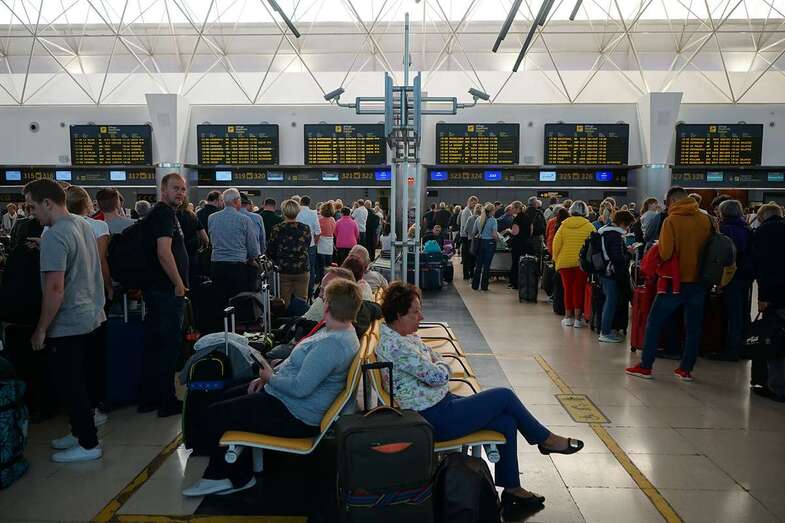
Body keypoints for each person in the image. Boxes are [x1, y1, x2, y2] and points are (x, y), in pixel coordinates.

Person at [376, 282, 584, 509]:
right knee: (504, 396)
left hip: (438, 404)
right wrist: (442, 366)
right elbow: (437, 375)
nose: (421, 316)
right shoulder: (397, 346)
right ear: (398, 314)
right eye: (415, 312)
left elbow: (433, 357)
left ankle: (512, 488)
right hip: (433, 419)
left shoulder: (403, 336)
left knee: (506, 420)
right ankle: (546, 440)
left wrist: (438, 365)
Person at [182, 278, 363, 497]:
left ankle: (231, 477)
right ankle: (233, 467)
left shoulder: (332, 345)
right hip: (287, 399)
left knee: (215, 414)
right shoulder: (339, 333)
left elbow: (299, 388)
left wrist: (269, 377)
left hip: (294, 413)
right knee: (221, 398)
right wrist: (270, 375)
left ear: (328, 305)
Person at [24, 179, 106, 463]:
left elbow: (55, 289)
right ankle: (78, 431)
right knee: (82, 381)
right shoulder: (83, 224)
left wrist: (41, 329)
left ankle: (88, 444)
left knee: (71, 386)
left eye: (33, 206)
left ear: (48, 203)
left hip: (68, 322)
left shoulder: (54, 235)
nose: (31, 212)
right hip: (91, 315)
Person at [626, 187, 714, 381]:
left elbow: (665, 253)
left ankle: (646, 366)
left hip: (673, 282)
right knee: (693, 328)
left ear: (673, 201)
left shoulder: (672, 220)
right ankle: (685, 369)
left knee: (655, 323)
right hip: (699, 282)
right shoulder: (706, 219)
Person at [139, 173, 189, 417]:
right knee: (168, 346)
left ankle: (150, 398)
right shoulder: (163, 214)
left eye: (182, 189)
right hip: (166, 291)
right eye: (175, 188)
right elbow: (163, 252)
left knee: (156, 345)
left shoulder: (163, 214)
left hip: (157, 290)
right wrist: (178, 283)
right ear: (163, 190)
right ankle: (166, 400)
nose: (180, 193)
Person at [707, 200, 753, 362]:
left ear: (722, 213)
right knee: (743, 312)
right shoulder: (747, 228)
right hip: (746, 275)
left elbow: (720, 257)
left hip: (730, 276)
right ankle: (744, 346)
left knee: (732, 313)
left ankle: (731, 349)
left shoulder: (724, 230)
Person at [750, 203, 785, 401]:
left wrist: (763, 297)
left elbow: (764, 267)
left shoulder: (764, 232)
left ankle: (776, 386)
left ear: (762, 217)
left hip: (775, 294)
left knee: (775, 338)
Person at [207, 189, 261, 305]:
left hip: (217, 266)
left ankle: (222, 322)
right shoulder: (245, 220)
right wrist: (251, 261)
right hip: (238, 267)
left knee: (220, 302)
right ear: (237, 201)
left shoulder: (212, 218)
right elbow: (253, 249)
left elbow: (212, 240)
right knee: (238, 303)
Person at [552, 201, 595, 328]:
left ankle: (567, 317)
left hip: (565, 263)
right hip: (581, 263)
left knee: (567, 290)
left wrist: (556, 259)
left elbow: (556, 244)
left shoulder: (563, 226)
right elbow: (594, 245)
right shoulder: (589, 226)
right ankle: (577, 319)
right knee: (579, 289)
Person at [597, 210, 635, 343]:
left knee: (608, 301)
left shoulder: (604, 231)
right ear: (623, 223)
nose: (628, 228)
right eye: (628, 225)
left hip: (603, 271)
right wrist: (629, 253)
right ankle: (605, 332)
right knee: (611, 302)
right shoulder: (614, 235)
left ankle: (605, 330)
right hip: (611, 272)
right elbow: (618, 258)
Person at [267, 199, 312, 306]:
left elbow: (271, 250)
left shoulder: (277, 228)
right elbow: (307, 245)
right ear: (298, 211)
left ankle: (286, 322)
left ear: (283, 211)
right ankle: (300, 321)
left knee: (284, 302)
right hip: (302, 270)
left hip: (283, 270)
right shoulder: (305, 228)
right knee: (301, 303)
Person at [296, 195, 320, 297]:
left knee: (298, 268)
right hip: (311, 246)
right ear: (310, 203)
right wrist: (314, 243)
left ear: (301, 202)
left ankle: (298, 292)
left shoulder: (297, 213)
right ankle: (310, 292)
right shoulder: (313, 214)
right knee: (311, 268)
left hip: (297, 246)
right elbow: (318, 232)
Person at [472, 203, 499, 292]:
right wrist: (498, 240)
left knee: (478, 265)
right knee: (486, 266)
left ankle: (475, 285)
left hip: (480, 243)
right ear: (491, 211)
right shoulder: (493, 220)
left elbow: (473, 232)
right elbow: (494, 234)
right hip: (490, 244)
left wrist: (481, 234)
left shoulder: (478, 218)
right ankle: (484, 286)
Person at [315, 202, 336, 286]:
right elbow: (334, 231)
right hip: (329, 244)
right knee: (328, 266)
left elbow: (318, 233)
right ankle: (328, 282)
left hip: (321, 244)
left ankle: (320, 282)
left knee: (320, 266)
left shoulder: (319, 220)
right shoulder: (333, 220)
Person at [507, 201, 526, 289]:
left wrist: (509, 231)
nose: (512, 210)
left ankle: (514, 283)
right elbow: (531, 230)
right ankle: (522, 282)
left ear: (516, 208)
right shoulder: (527, 217)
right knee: (523, 263)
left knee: (515, 263)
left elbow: (515, 232)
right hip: (525, 243)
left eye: (513, 208)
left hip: (517, 244)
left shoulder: (516, 219)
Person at [463, 204, 482, 280]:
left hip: (470, 240)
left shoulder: (470, 218)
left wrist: (470, 235)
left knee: (469, 258)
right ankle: (474, 275)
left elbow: (465, 230)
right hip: (479, 241)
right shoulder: (482, 219)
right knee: (476, 259)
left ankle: (469, 275)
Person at [459, 195, 479, 262]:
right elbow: (465, 226)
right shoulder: (466, 211)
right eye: (474, 203)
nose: (475, 205)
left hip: (466, 235)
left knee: (467, 254)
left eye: (476, 203)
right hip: (465, 236)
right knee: (466, 255)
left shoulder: (469, 210)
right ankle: (466, 272)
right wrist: (471, 236)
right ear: (469, 202)